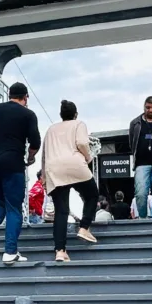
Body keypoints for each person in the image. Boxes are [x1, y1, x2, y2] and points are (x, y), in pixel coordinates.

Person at [0, 82, 41, 265]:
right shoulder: (28, 114)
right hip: (13, 165)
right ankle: (10, 252)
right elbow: (35, 142)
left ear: (10, 94)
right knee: (14, 207)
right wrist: (30, 157)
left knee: (0, 202)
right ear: (25, 97)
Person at [42, 100, 99, 263]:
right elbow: (82, 142)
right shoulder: (78, 124)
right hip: (75, 164)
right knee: (92, 195)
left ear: (61, 115)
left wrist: (45, 179)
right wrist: (88, 157)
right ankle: (84, 227)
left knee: (61, 211)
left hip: (54, 169)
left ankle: (60, 251)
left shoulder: (50, 129)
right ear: (75, 114)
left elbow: (45, 154)